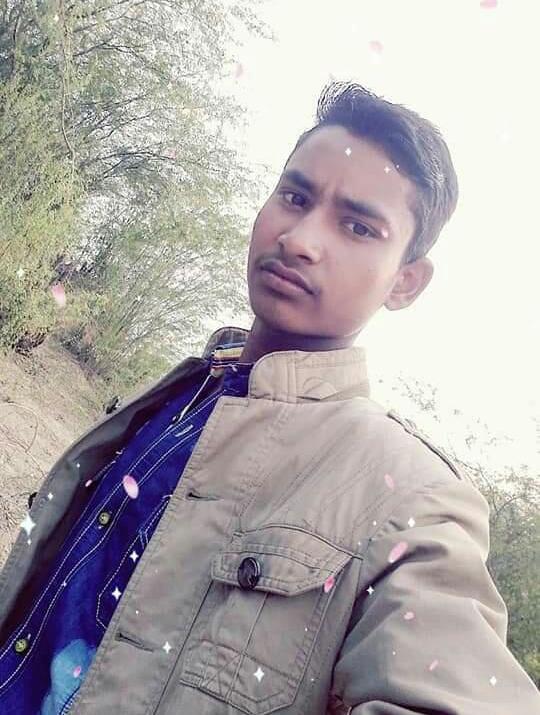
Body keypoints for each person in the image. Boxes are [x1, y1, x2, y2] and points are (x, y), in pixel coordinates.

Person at [0, 81, 537, 714]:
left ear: (406, 283)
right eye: (295, 197)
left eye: (358, 227)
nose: (301, 238)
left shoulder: (411, 497)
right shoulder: (183, 393)